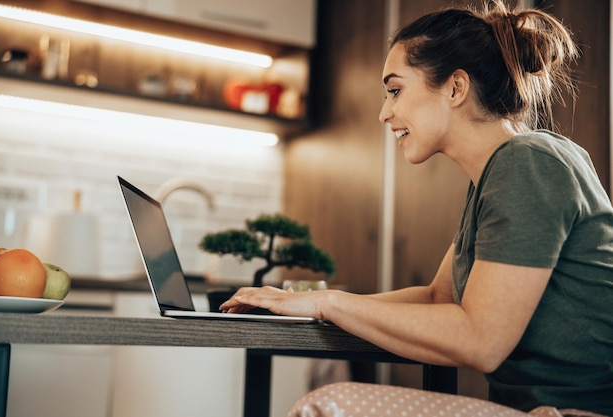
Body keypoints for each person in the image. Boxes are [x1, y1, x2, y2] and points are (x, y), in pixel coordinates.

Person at [220, 1, 613, 416]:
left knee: (327, 405)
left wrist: (326, 303)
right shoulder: (497, 176)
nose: (384, 112)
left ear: (455, 89)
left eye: (395, 90)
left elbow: (481, 340)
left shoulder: (529, 163)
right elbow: (435, 298)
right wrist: (298, 303)